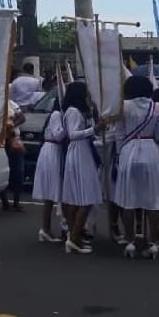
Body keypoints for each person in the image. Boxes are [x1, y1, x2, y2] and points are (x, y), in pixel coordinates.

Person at [112, 76, 159, 260]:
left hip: (129, 151)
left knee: (129, 200)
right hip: (150, 150)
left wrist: (121, 156)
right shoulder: (157, 107)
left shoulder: (124, 106)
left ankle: (129, 240)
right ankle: (153, 242)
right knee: (152, 200)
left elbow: (118, 134)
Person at [60, 82, 105, 255]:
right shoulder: (73, 111)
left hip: (81, 151)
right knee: (85, 198)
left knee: (77, 198)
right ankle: (74, 237)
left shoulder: (78, 112)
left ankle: (75, 236)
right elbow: (72, 134)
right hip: (79, 151)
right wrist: (92, 129)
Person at [32, 99, 65, 242]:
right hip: (52, 150)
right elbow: (58, 135)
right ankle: (46, 229)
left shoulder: (57, 114)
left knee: (50, 194)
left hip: (52, 151)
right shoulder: (57, 115)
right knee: (51, 192)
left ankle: (46, 228)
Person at [0, 98, 26, 211]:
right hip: (0, 143)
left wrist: (11, 124)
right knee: (2, 172)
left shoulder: (11, 103)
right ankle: (4, 202)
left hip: (14, 140)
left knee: (19, 172)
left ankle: (16, 201)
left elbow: (22, 117)